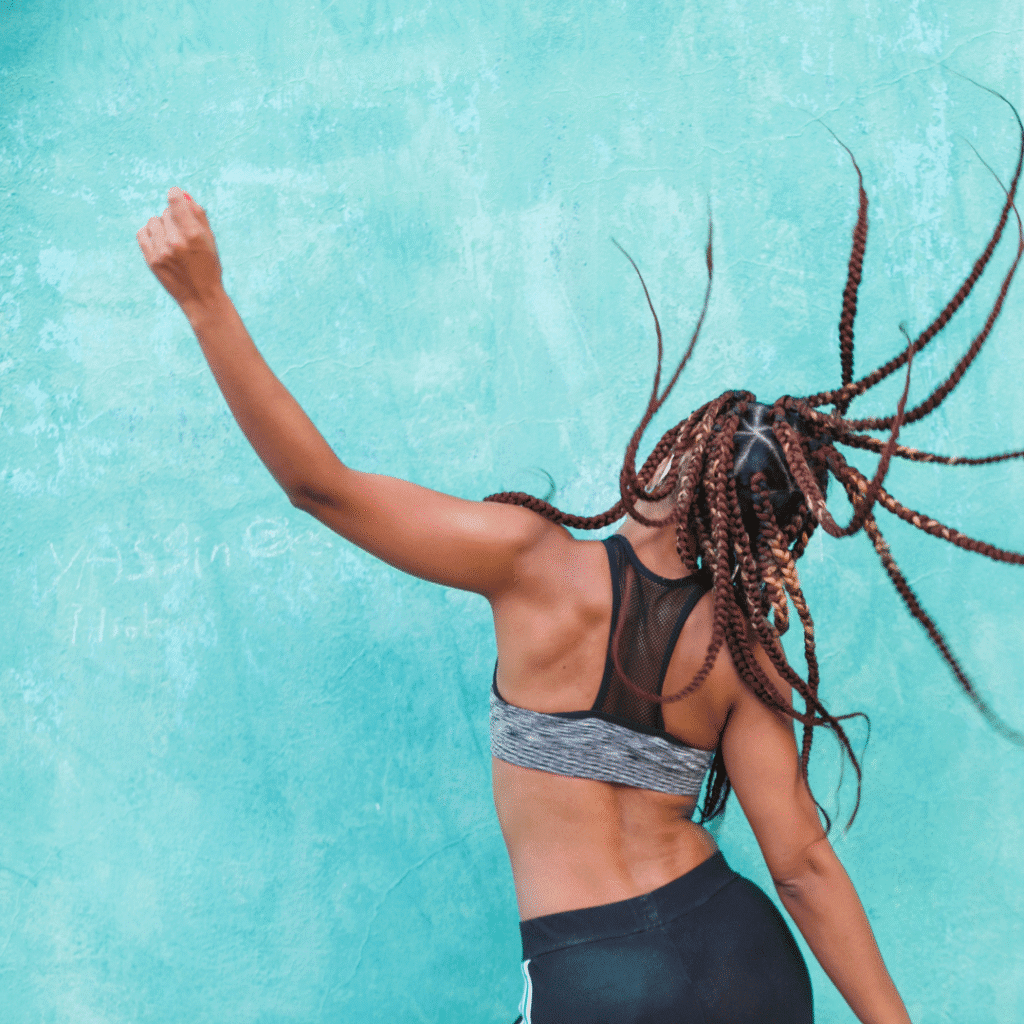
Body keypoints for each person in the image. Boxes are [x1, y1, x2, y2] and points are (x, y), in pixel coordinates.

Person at [137, 100, 1024, 1022]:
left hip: (594, 977)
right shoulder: (739, 653)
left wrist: (205, 301)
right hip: (738, 953)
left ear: (680, 463)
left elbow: (320, 487)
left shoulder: (532, 565)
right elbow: (800, 864)